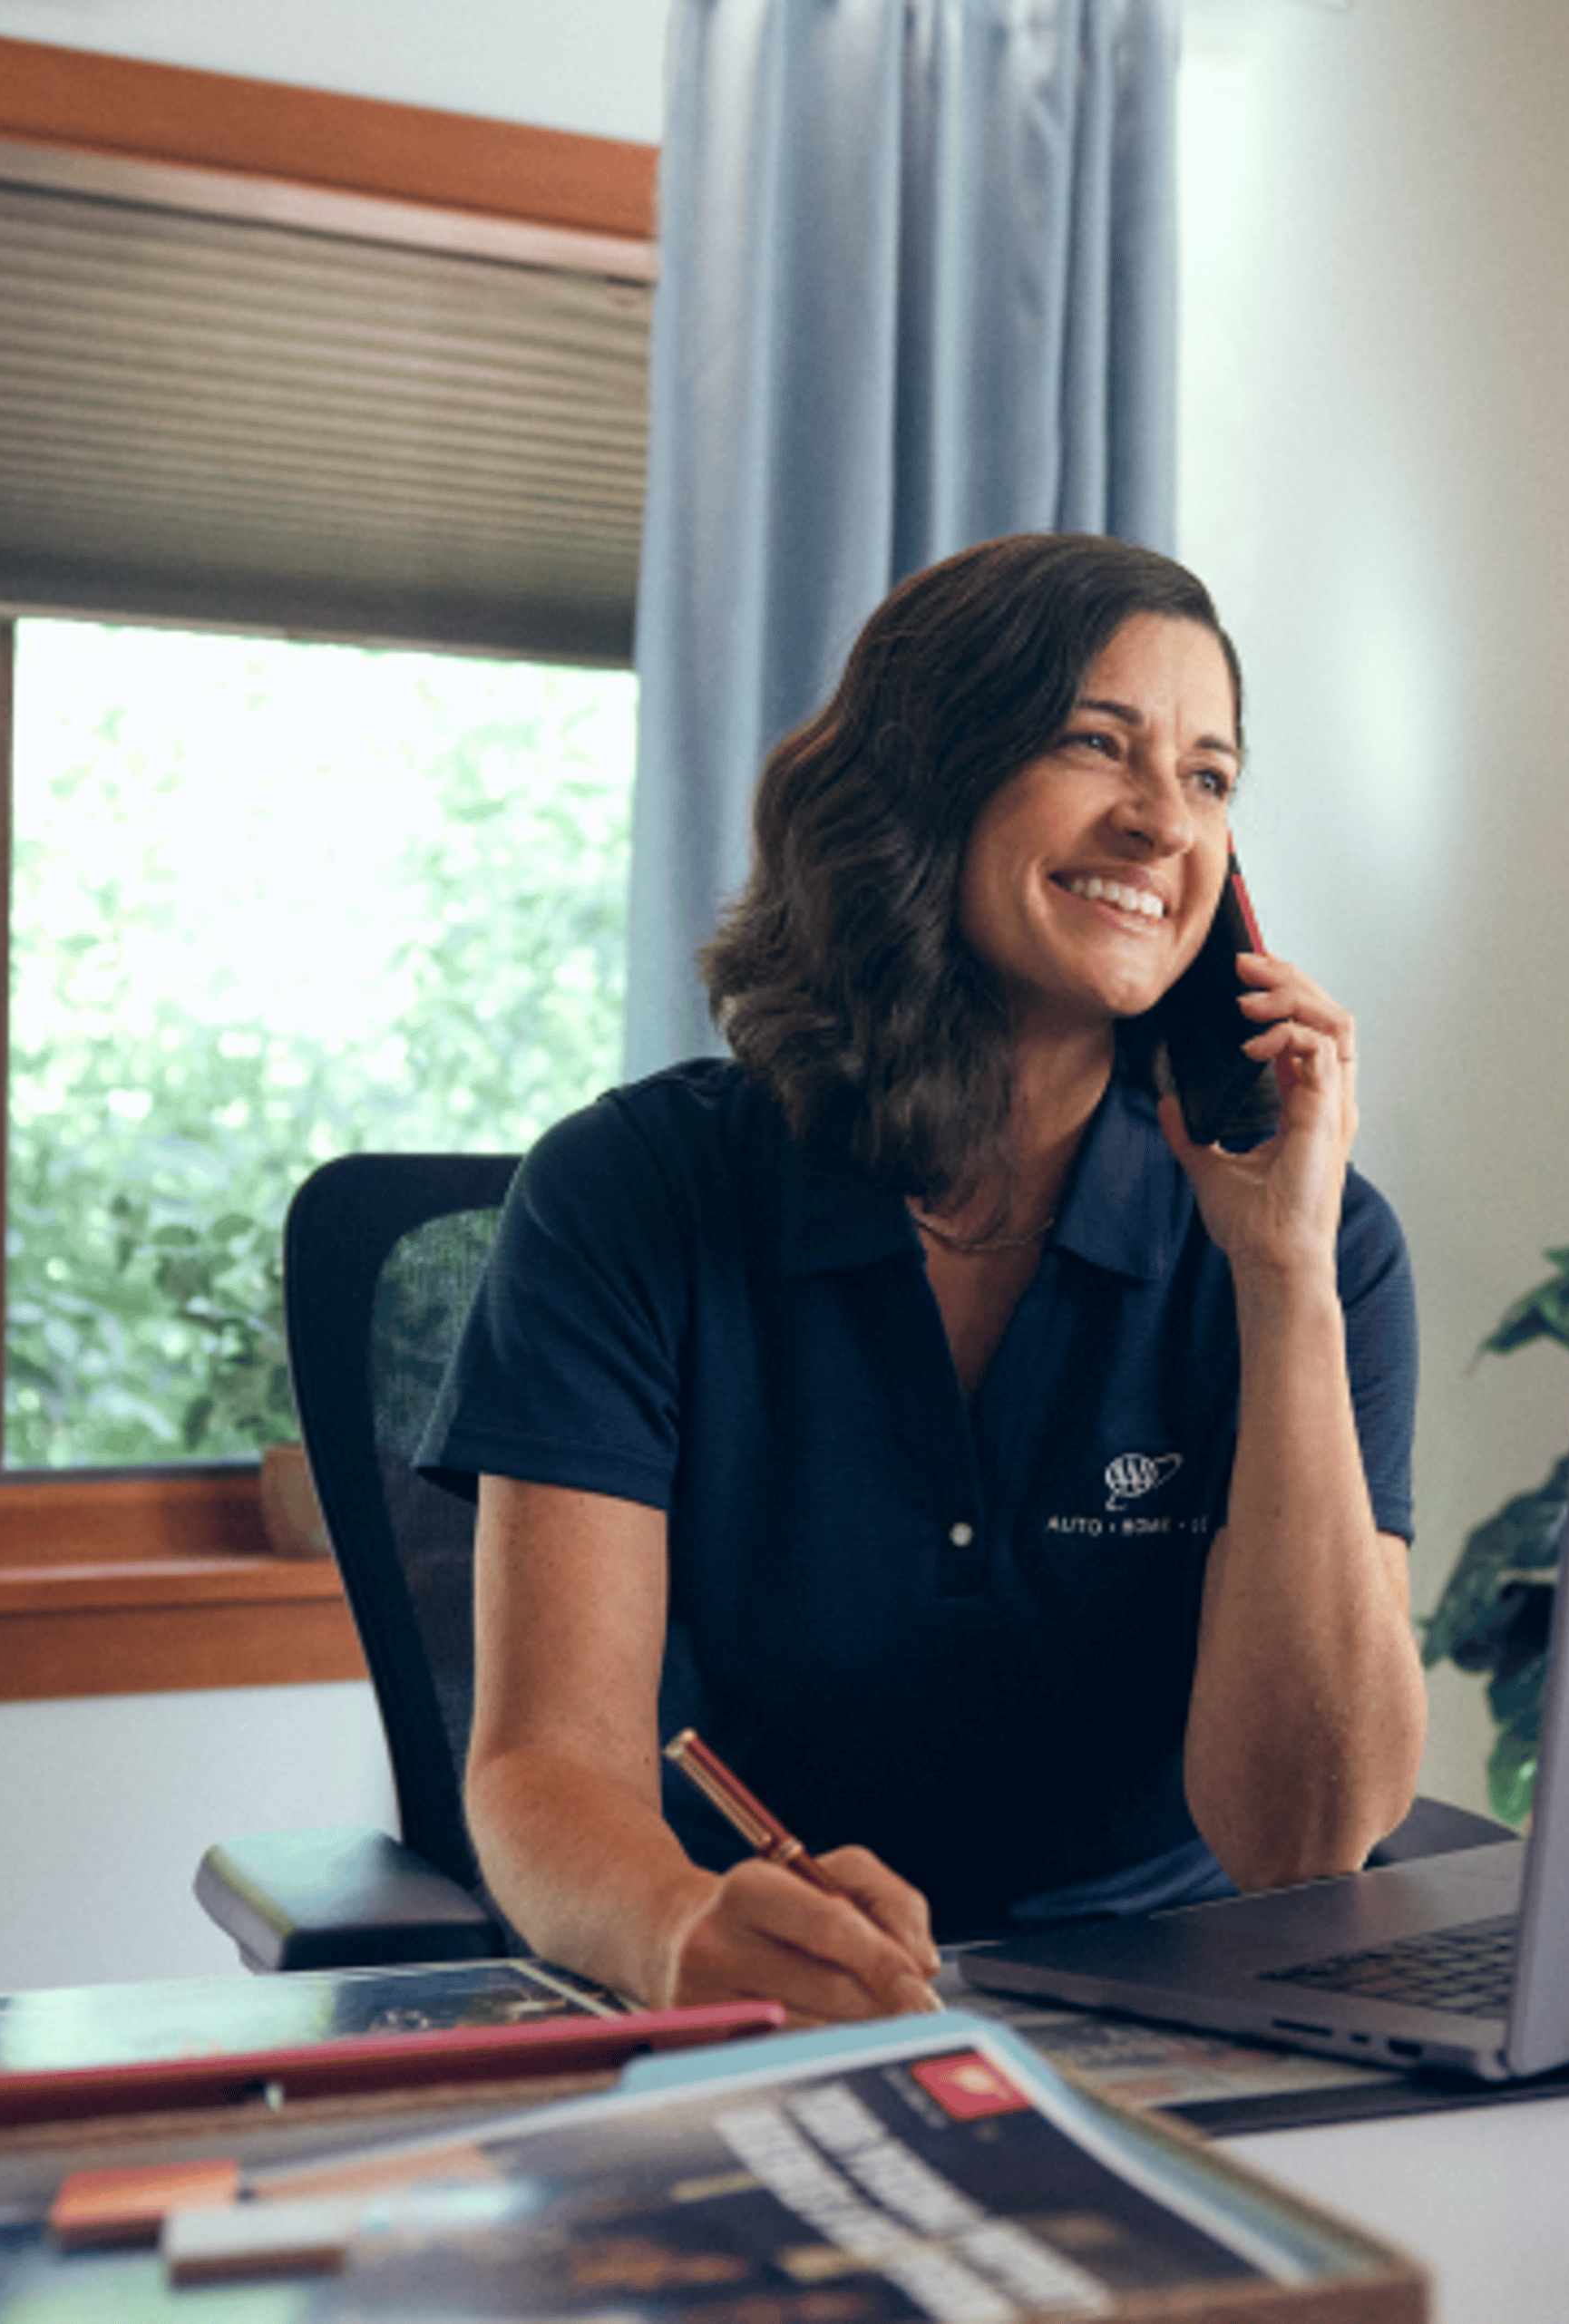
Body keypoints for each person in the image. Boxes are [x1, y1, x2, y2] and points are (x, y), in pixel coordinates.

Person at [420, 533, 1426, 2026]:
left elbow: (1303, 1840)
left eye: (1211, 778)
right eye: (1100, 745)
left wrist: (1280, 1281)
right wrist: (687, 1932)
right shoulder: (630, 1196)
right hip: (758, 2001)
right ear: (928, 777)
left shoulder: (1321, 1241)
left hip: (1180, 2022)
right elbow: (544, 1767)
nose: (1164, 824)